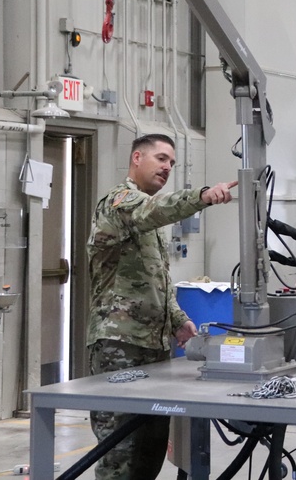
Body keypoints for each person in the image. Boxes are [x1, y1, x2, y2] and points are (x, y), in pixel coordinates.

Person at [86, 134, 236, 480]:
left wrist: (178, 320)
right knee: (119, 455)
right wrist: (201, 197)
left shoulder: (148, 223)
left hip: (152, 346)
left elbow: (157, 280)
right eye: (161, 158)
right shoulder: (120, 203)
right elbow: (157, 209)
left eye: (171, 162)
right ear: (137, 158)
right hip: (119, 345)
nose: (167, 167)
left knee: (149, 451)